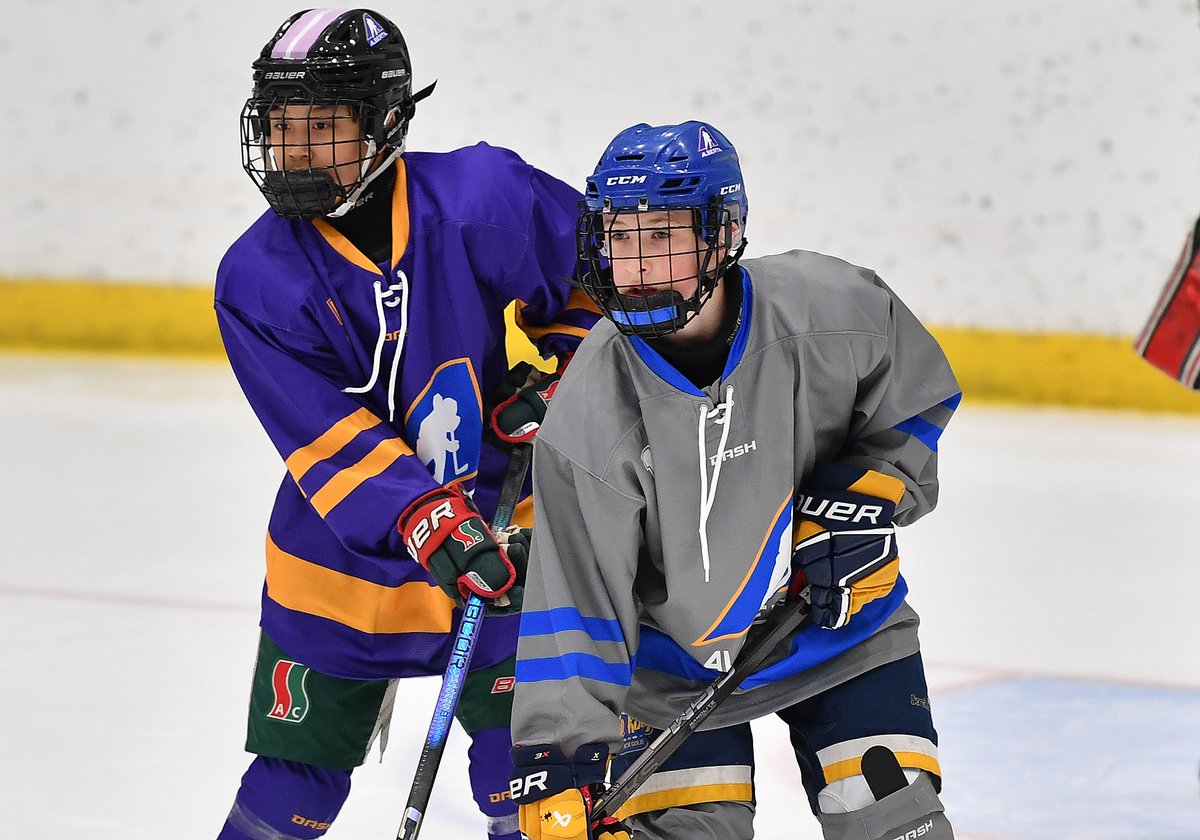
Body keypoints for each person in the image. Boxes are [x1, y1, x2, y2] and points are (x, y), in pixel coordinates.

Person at [507, 121, 962, 840]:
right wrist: (560, 758)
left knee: (897, 826)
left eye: (662, 236)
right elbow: (575, 597)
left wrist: (873, 492)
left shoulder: (831, 310)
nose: (636, 265)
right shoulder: (589, 412)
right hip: (670, 674)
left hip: (839, 629)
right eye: (620, 238)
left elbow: (913, 398)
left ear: (722, 237)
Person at [213, 9, 597, 840]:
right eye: (282, 125)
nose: (294, 150)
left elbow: (600, 277)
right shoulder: (255, 279)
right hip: (340, 558)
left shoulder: (481, 199)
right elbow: (323, 434)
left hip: (506, 534)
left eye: (321, 125)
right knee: (292, 787)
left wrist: (567, 371)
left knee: (531, 776)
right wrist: (420, 514)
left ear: (387, 121)